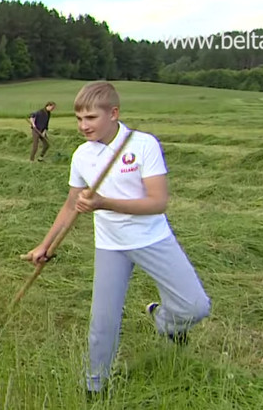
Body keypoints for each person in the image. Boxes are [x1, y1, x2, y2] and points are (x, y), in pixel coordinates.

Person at [20, 81, 211, 398]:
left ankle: (162, 319)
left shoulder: (143, 145)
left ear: (114, 113)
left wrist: (104, 203)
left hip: (152, 239)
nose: (83, 126)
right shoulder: (82, 156)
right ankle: (94, 387)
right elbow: (71, 205)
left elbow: (157, 202)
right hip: (110, 246)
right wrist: (45, 245)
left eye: (91, 118)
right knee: (102, 324)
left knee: (195, 307)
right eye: (79, 119)